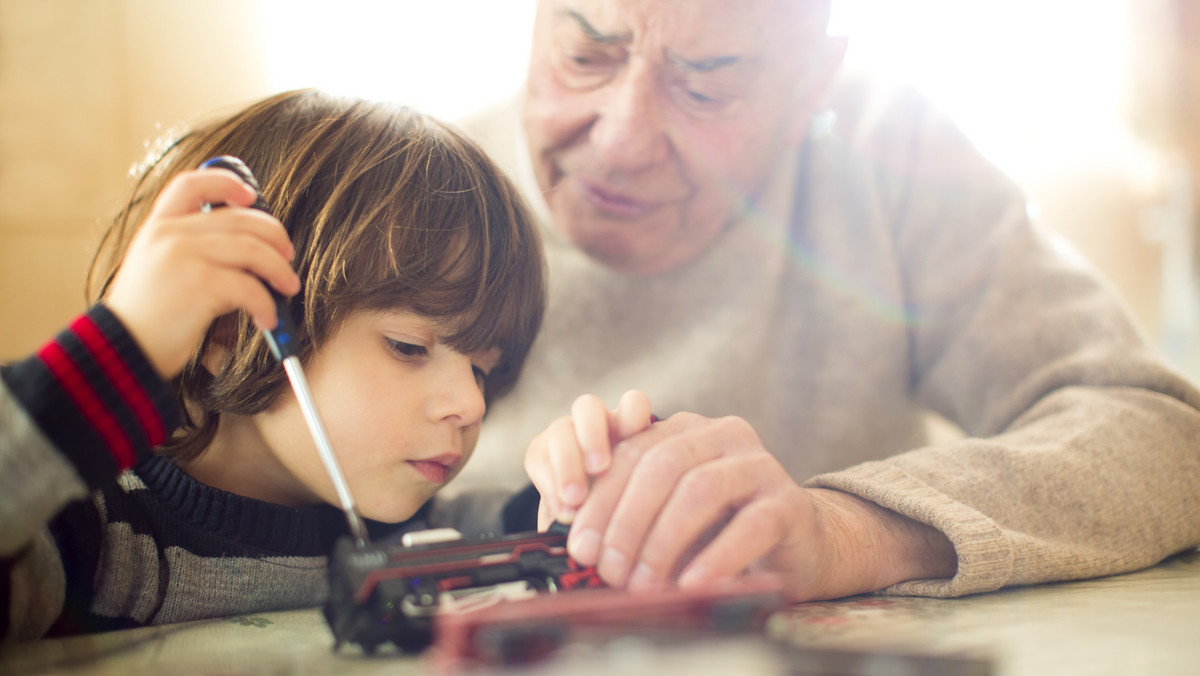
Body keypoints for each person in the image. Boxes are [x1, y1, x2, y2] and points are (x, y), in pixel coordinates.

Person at [449, 0, 1200, 603]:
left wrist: (842, 533)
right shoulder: (412, 196)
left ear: (813, 82)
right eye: (585, 56)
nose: (621, 140)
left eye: (706, 86)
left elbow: (1165, 436)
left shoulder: (886, 154)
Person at [0, 88, 549, 641]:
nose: (472, 405)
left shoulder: (409, 536)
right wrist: (110, 357)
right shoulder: (95, 530)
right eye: (409, 346)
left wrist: (596, 496)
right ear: (229, 327)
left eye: (481, 370)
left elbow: (552, 536)